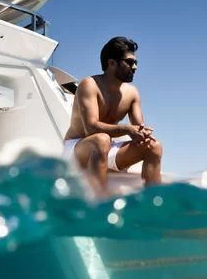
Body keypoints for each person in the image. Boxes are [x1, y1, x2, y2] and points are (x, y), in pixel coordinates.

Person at [62, 36, 163, 194]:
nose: (135, 67)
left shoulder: (132, 93)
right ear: (111, 63)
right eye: (129, 62)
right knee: (101, 139)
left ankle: (154, 204)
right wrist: (128, 130)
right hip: (77, 149)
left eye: (136, 62)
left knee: (154, 146)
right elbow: (91, 128)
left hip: (106, 148)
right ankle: (98, 205)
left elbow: (137, 130)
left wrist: (143, 135)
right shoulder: (89, 85)